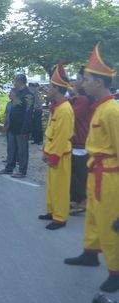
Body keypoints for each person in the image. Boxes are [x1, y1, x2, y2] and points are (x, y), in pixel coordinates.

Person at [64, 44, 119, 293]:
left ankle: (116, 271)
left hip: (109, 177)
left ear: (98, 81)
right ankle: (90, 253)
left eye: (86, 79)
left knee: (109, 223)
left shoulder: (112, 111)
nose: (82, 83)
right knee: (94, 218)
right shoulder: (100, 107)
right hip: (96, 170)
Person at [38, 64, 75, 230]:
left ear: (58, 89)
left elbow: (62, 136)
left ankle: (60, 218)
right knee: (52, 185)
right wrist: (46, 150)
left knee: (60, 187)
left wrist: (54, 155)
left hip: (61, 154)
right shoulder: (57, 107)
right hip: (53, 151)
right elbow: (51, 132)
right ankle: (52, 211)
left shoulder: (65, 110)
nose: (48, 88)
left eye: (51, 86)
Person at [0, 74, 35, 178]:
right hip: (12, 127)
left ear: (21, 82)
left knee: (22, 150)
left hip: (22, 127)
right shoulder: (17, 93)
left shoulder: (28, 94)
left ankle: (22, 171)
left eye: (15, 81)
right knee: (11, 148)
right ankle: (9, 168)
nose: (14, 83)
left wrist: (25, 128)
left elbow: (27, 111)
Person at [69, 66, 95, 215]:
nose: (77, 82)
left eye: (81, 79)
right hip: (77, 140)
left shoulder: (83, 99)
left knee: (78, 173)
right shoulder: (78, 98)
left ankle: (82, 200)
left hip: (80, 141)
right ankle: (77, 200)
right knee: (76, 172)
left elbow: (71, 115)